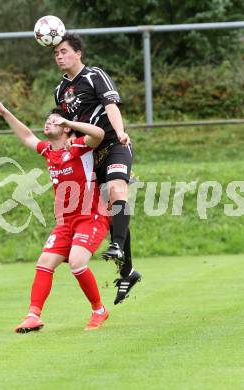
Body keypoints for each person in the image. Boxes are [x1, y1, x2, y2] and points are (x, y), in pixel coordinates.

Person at [0, 96, 110, 332]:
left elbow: (99, 134)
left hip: (90, 216)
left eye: (54, 121)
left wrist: (70, 122)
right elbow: (27, 137)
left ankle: (99, 310)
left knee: (76, 262)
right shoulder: (49, 151)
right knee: (44, 263)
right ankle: (33, 316)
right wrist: (4, 112)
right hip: (65, 221)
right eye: (48, 120)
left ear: (65, 128)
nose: (48, 123)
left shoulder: (79, 148)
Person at [53, 33, 141, 305]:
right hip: (91, 155)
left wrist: (120, 132)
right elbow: (65, 127)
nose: (59, 56)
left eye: (64, 51)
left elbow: (110, 105)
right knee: (106, 211)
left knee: (117, 189)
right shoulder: (59, 91)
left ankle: (116, 245)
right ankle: (127, 271)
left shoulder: (94, 76)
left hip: (114, 144)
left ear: (78, 53)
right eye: (56, 53)